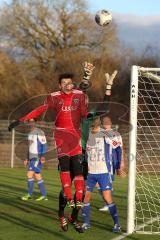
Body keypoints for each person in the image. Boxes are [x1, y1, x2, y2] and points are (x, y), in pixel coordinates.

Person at [8, 63, 94, 209]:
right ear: (59, 85)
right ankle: (68, 195)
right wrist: (20, 120)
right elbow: (39, 110)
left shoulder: (78, 94)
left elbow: (84, 87)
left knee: (77, 167)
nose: (68, 84)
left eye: (69, 82)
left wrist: (87, 75)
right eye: (64, 82)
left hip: (75, 136)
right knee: (65, 165)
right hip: (61, 135)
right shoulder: (54, 97)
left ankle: (78, 198)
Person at [58, 68, 118, 232]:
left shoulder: (87, 115)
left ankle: (74, 218)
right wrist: (85, 77)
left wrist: (108, 87)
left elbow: (104, 109)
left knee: (82, 191)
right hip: (68, 152)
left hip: (83, 156)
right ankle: (62, 215)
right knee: (66, 187)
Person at [82, 116, 126, 233]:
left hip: (103, 172)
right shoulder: (87, 136)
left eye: (94, 122)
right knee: (85, 197)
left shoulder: (105, 135)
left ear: (98, 123)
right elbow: (85, 154)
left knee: (107, 197)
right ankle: (86, 223)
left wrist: (118, 167)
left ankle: (117, 224)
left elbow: (118, 148)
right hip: (90, 173)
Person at [21, 119, 48, 201]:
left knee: (29, 174)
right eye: (29, 122)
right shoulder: (29, 133)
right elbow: (29, 147)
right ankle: (44, 196)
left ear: (35, 123)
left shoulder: (39, 132)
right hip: (31, 157)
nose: (31, 123)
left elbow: (44, 145)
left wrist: (42, 156)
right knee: (37, 175)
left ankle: (29, 195)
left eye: (33, 122)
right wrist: (26, 158)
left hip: (37, 157)